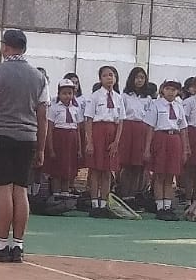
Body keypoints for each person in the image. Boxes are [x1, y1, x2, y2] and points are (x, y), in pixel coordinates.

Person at [0, 29, 48, 263]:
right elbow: (43, 116)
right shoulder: (39, 77)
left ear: (6, 47)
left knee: (4, 189)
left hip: (2, 135)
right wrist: (41, 147)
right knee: (21, 189)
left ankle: (0, 244)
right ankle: (18, 245)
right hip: (28, 137)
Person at [81, 65, 128, 217]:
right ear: (100, 79)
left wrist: (116, 142)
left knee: (108, 171)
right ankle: (95, 203)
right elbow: (88, 120)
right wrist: (89, 141)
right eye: (106, 75)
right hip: (98, 132)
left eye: (112, 75)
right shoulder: (94, 97)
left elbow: (121, 121)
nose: (109, 78)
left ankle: (104, 203)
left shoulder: (119, 98)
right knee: (96, 170)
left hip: (112, 132)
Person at [145, 80, 189, 220]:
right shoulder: (156, 105)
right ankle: (159, 206)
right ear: (163, 90)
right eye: (168, 89)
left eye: (174, 90)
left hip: (174, 139)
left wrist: (185, 148)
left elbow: (183, 128)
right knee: (159, 174)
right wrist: (147, 148)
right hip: (160, 137)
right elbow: (150, 127)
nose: (171, 92)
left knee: (170, 174)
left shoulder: (179, 106)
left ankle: (167, 206)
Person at [117, 67, 155, 198]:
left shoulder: (148, 99)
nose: (139, 80)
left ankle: (135, 194)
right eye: (137, 77)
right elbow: (121, 116)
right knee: (127, 165)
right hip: (128, 130)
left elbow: (150, 118)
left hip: (142, 131)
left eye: (142, 78)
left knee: (139, 165)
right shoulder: (124, 96)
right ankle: (124, 193)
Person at [45, 78, 81, 197]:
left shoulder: (76, 109)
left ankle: (65, 192)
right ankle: (56, 193)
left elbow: (78, 129)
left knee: (68, 167)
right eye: (64, 93)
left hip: (72, 140)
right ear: (59, 94)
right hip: (59, 139)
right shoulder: (54, 108)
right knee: (57, 168)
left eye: (70, 93)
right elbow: (50, 129)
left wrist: (79, 148)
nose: (67, 96)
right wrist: (51, 148)